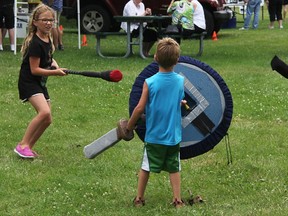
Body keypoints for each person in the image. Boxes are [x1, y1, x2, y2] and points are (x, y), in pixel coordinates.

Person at [126, 37, 186, 208]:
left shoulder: (149, 82)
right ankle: (177, 199)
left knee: (146, 166)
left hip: (154, 136)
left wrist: (130, 126)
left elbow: (139, 109)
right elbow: (176, 98)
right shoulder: (180, 81)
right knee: (174, 167)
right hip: (173, 136)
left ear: (155, 58)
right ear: (177, 60)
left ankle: (139, 198)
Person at [14, 4, 67, 159]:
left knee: (47, 118)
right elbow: (34, 69)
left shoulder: (47, 38)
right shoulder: (35, 43)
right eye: (44, 20)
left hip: (40, 83)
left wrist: (54, 63)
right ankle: (22, 145)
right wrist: (55, 72)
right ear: (35, 22)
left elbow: (48, 57)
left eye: (51, 20)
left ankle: (28, 147)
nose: (49, 23)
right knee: (44, 112)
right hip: (29, 81)